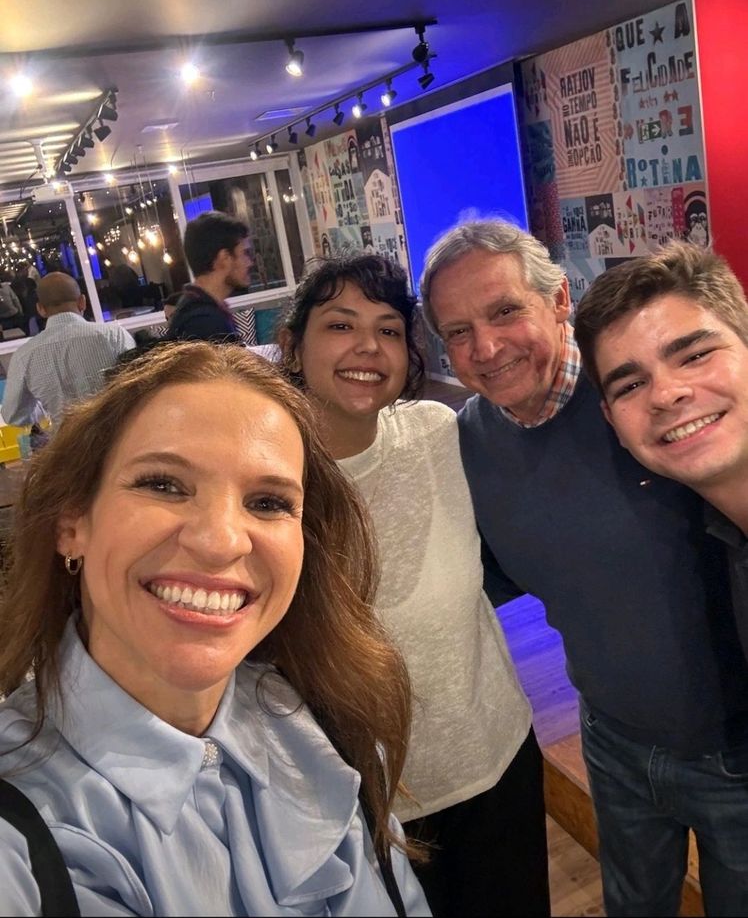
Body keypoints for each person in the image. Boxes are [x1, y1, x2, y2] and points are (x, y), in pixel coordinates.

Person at [0, 341, 429, 916]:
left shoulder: (329, 725)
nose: (221, 540)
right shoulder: (17, 833)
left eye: (268, 502)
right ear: (71, 523)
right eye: (163, 484)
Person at [421, 218, 748, 918]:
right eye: (458, 331)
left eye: (505, 311)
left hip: (733, 747)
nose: (486, 347)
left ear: (560, 300)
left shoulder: (648, 404)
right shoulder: (468, 442)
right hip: (610, 737)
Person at [278, 254, 548, 917]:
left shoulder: (437, 433)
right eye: (340, 325)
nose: (368, 346)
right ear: (293, 345)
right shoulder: (267, 481)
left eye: (389, 330)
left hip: (496, 764)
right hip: (365, 806)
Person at [574, 240, 748, 666]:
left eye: (695, 356)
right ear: (612, 422)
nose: (666, 395)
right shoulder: (722, 534)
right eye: (630, 385)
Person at [1, 272, 135, 427]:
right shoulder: (114, 335)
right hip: (119, 434)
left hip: (67, 440)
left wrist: (48, 406)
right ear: (82, 302)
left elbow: (13, 415)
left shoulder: (24, 356)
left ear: (41, 309)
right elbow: (137, 387)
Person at [166, 211, 252, 343]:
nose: (250, 262)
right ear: (224, 258)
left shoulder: (199, 310)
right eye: (245, 253)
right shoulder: (206, 323)